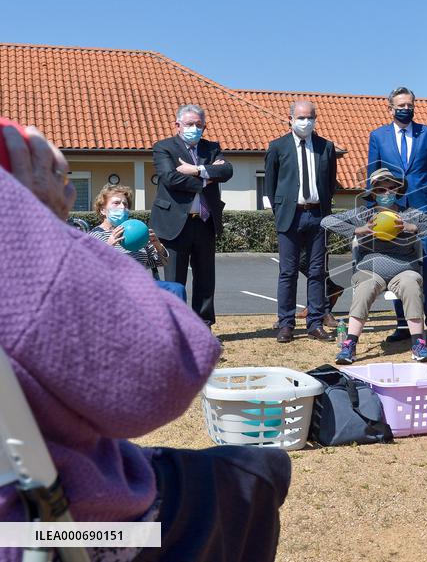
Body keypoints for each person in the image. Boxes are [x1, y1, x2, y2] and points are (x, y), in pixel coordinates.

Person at [0, 124, 290, 562]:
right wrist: (46, 228)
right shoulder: (17, 233)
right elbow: (164, 375)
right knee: (254, 473)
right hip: (49, 537)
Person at [322, 168, 427, 364]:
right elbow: (327, 221)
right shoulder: (363, 214)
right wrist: (359, 230)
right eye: (380, 190)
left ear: (398, 190)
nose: (386, 193)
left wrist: (413, 227)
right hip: (369, 270)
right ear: (372, 193)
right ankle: (349, 345)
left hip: (404, 269)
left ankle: (419, 344)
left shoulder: (409, 214)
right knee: (364, 288)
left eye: (391, 188)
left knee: (411, 285)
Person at [367, 86, 427, 343]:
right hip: (392, 214)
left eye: (409, 104)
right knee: (399, 267)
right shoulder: (378, 137)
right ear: (390, 108)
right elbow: (374, 178)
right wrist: (376, 212)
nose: (405, 109)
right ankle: (403, 325)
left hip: (423, 211)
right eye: (400, 105)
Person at [150, 104, 233, 327]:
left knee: (205, 278)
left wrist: (196, 170)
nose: (194, 128)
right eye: (189, 124)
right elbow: (171, 178)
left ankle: (203, 325)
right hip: (174, 223)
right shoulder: (164, 148)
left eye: (199, 125)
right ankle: (174, 326)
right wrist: (209, 175)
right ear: (177, 125)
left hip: (205, 222)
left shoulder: (211, 148)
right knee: (175, 280)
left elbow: (227, 171)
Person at [264, 100, 338, 343]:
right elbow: (270, 185)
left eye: (310, 117)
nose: (305, 122)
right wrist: (281, 211)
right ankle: (286, 323)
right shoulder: (277, 147)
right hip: (290, 216)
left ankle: (315, 323)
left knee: (317, 271)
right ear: (291, 119)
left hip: (318, 215)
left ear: (315, 119)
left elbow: (330, 183)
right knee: (288, 272)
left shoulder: (326, 147)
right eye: (301, 117)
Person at [88, 183, 185, 300]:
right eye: (116, 203)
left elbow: (160, 262)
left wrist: (157, 245)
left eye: (125, 204)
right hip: (113, 288)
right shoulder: (94, 236)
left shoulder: (137, 231)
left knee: (177, 289)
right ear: (103, 210)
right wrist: (108, 246)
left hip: (141, 285)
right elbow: (89, 270)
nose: (122, 207)